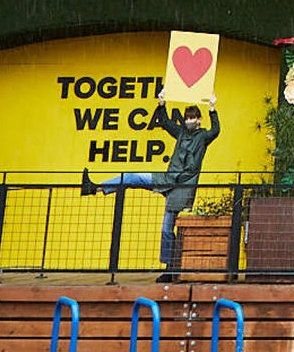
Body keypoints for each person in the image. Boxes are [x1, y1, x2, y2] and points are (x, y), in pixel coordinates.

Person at [82, 95, 219, 280]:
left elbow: (216, 130)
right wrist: (162, 102)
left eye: (193, 117)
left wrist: (212, 108)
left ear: (199, 119)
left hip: (182, 187)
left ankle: (170, 270)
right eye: (187, 117)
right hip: (166, 179)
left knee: (166, 229)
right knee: (133, 176)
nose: (189, 121)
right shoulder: (180, 133)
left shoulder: (202, 136)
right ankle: (96, 188)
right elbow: (163, 121)